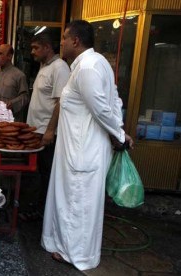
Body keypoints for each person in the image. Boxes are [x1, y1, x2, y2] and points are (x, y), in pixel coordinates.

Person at [41, 20, 134, 270]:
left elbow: (103, 107)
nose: (60, 42)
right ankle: (67, 248)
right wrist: (118, 129)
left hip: (83, 150)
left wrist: (119, 133)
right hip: (79, 148)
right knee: (75, 201)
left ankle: (76, 255)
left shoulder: (89, 68)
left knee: (77, 203)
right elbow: (115, 100)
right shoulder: (92, 63)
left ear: (76, 41)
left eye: (63, 37)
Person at [26, 31, 70, 213]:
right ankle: (34, 207)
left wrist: (50, 131)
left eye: (36, 48)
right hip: (35, 129)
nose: (32, 52)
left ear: (47, 48)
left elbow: (61, 102)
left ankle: (42, 212)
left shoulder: (60, 68)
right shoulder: (44, 66)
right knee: (34, 171)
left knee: (45, 173)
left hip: (46, 132)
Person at [0, 44, 29, 121]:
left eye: (0, 54)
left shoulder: (19, 75)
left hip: (10, 121)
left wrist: (13, 104)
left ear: (9, 56)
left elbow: (25, 97)